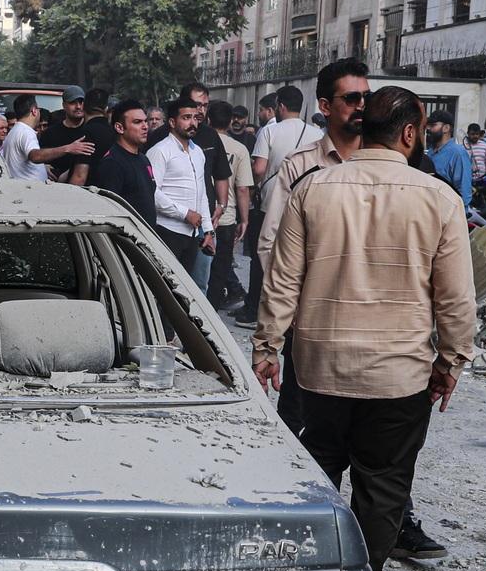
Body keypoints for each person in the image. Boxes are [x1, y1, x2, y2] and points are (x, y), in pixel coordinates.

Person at [252, 85, 476, 571]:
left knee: (320, 472)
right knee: (384, 486)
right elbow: (456, 298)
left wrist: (267, 346)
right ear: (410, 133)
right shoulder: (440, 198)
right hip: (399, 375)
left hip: (320, 367)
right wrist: (451, 361)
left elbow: (282, 280)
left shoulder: (314, 188)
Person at [255, 61, 365, 433]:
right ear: (325, 106)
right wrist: (283, 319)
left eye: (366, 98)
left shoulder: (386, 164)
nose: (361, 106)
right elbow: (271, 244)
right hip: (312, 324)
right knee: (299, 424)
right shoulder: (301, 166)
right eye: (351, 98)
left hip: (369, 326)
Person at [147, 95, 214, 279]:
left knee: (185, 286)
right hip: (168, 231)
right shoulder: (160, 151)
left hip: (193, 233)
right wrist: (185, 214)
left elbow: (201, 192)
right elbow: (152, 193)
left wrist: (207, 229)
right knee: (165, 286)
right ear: (172, 122)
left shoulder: (198, 152)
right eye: (186, 118)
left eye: (195, 118)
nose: (192, 123)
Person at [207, 99, 254, 310]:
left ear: (208, 120)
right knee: (220, 269)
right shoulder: (240, 149)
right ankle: (212, 310)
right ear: (229, 123)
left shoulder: (199, 144)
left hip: (201, 215)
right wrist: (244, 219)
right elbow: (242, 188)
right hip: (226, 216)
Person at [89, 100, 157, 225]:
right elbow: (109, 212)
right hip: (126, 234)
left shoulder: (143, 159)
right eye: (137, 122)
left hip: (147, 233)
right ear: (119, 127)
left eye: (145, 121)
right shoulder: (112, 163)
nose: (145, 126)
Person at [33, 84, 105, 184]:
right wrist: (43, 166)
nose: (78, 106)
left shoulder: (91, 131)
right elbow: (37, 156)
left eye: (81, 102)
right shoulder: (50, 133)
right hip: (55, 187)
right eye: (73, 103)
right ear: (64, 105)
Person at [424, 111, 473, 207]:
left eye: (433, 125)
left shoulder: (458, 153)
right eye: (428, 125)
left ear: (446, 128)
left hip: (448, 212)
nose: (428, 129)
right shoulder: (430, 152)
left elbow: (464, 194)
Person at [0, 94, 48, 181]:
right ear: (34, 111)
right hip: (28, 188)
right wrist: (67, 149)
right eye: (38, 109)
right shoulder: (26, 132)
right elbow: (35, 156)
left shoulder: (16, 130)